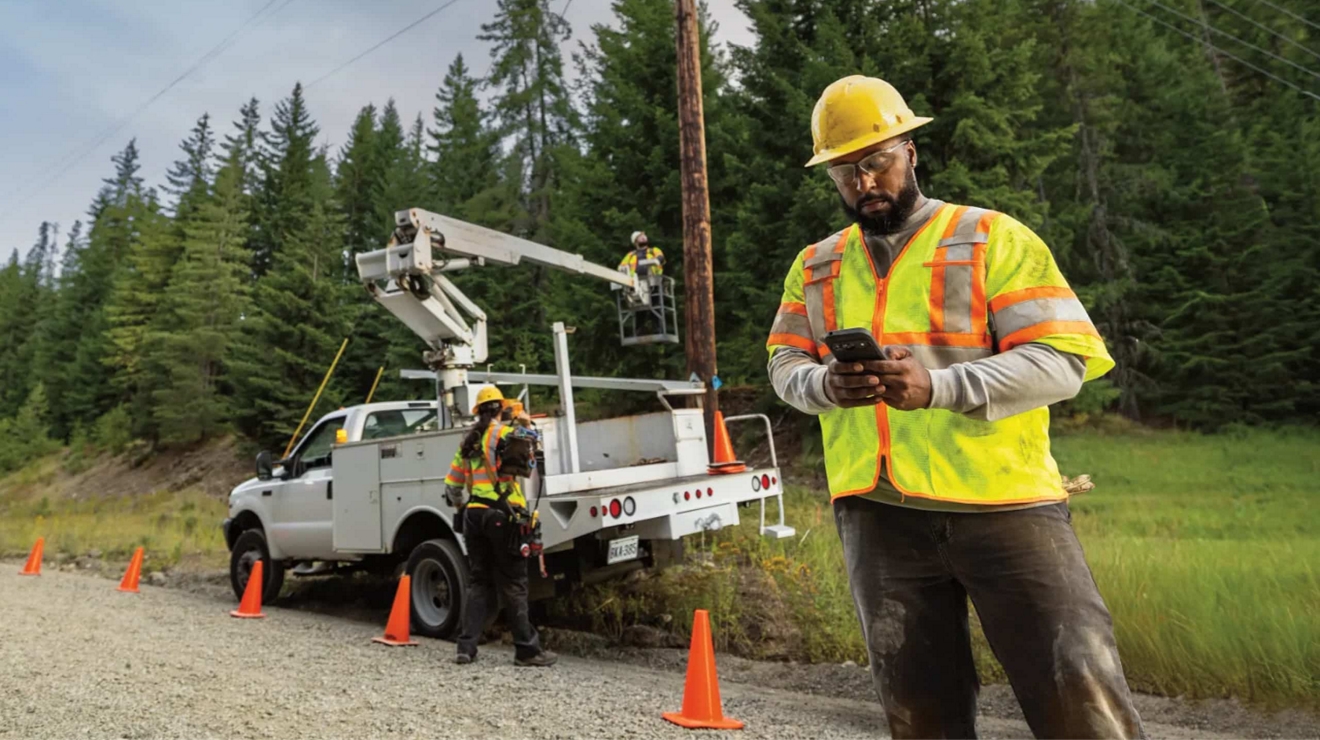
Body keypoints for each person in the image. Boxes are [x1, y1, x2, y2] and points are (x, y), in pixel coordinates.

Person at [766, 75, 1144, 739]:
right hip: (880, 515)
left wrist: (938, 386)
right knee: (919, 713)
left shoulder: (993, 239)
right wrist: (827, 385)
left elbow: (1063, 363)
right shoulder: (816, 266)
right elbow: (783, 366)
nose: (864, 183)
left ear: (910, 150)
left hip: (1006, 507)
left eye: (877, 161)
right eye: (844, 171)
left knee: (1080, 694)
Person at [444, 385, 557, 668]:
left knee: (479, 582)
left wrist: (462, 508)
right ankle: (527, 651)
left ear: (478, 411)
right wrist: (525, 421)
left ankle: (466, 648)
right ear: (501, 409)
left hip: (474, 515)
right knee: (514, 584)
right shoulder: (505, 434)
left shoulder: (467, 442)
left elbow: (452, 486)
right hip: (502, 516)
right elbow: (534, 445)